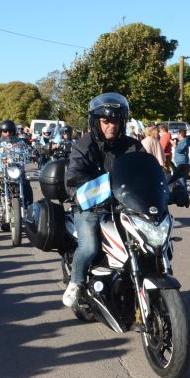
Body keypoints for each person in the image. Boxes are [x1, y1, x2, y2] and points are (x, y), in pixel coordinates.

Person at [62, 92, 144, 307]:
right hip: (91, 207)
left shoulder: (132, 146)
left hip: (126, 205)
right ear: (96, 121)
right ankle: (77, 282)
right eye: (106, 120)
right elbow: (73, 177)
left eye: (116, 120)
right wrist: (87, 190)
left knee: (148, 242)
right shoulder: (84, 145)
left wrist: (170, 186)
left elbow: (147, 170)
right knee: (89, 247)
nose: (112, 125)